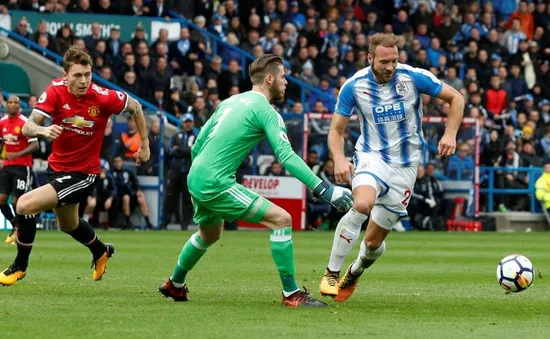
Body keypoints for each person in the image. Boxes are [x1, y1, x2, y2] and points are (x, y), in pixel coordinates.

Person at [158, 54, 353, 307]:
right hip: (215, 181)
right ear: (270, 78)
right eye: (283, 77)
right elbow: (286, 155)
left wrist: (204, 173)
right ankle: (291, 294)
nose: (286, 82)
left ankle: (175, 284)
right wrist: (323, 189)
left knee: (209, 233)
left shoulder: (229, 102)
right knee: (282, 220)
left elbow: (198, 145)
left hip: (197, 174)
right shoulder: (266, 111)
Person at [319, 33, 464, 301]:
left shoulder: (413, 77)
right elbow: (336, 130)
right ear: (370, 58)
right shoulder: (354, 86)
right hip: (371, 156)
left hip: (406, 167)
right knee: (362, 204)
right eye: (384, 61)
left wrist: (450, 134)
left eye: (394, 60)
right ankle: (330, 271)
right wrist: (339, 158)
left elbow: (456, 98)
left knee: (373, 244)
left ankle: (354, 271)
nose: (390, 67)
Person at [0, 46, 150, 286]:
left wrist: (144, 144)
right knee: (67, 224)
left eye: (87, 75)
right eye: (78, 75)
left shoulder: (103, 96)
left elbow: (136, 108)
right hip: (57, 169)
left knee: (24, 204)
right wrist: (42, 130)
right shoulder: (54, 92)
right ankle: (101, 250)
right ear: (65, 75)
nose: (83, 81)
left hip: (83, 174)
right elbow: (28, 127)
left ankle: (20, 266)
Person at [0, 95, 38, 244]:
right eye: (11, 102)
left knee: (18, 201)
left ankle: (23, 231)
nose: (13, 105)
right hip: (7, 166)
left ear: (19, 106)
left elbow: (35, 145)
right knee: (1, 200)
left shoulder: (25, 123)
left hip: (22, 166)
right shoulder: (2, 122)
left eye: (16, 102)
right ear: (6, 105)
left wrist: (17, 154)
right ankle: (16, 224)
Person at [161, 113, 198, 230]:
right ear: (182, 123)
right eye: (185, 122)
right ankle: (164, 222)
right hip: (175, 170)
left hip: (189, 171)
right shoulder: (176, 135)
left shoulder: (197, 136)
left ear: (193, 123)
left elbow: (195, 151)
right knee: (170, 196)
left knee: (187, 198)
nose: (187, 124)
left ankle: (185, 224)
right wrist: (186, 151)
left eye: (189, 122)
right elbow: (170, 150)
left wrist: (180, 150)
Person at [111, 154, 153, 230]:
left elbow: (135, 182)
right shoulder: (111, 173)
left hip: (131, 194)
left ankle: (148, 223)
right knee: (126, 198)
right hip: (119, 198)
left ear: (122, 162)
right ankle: (128, 223)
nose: (117, 163)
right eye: (115, 162)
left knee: (141, 198)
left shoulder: (128, 171)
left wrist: (138, 191)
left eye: (119, 161)